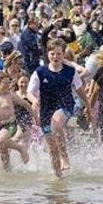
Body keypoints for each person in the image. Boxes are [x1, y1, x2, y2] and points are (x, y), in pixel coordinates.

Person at [28, 40, 87, 176]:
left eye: (59, 54)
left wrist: (88, 105)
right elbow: (29, 92)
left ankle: (65, 157)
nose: (55, 57)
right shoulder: (40, 72)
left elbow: (80, 90)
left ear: (63, 55)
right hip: (45, 112)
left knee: (57, 122)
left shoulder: (71, 71)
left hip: (65, 106)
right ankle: (58, 178)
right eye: (52, 54)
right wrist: (34, 100)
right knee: (52, 149)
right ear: (47, 54)